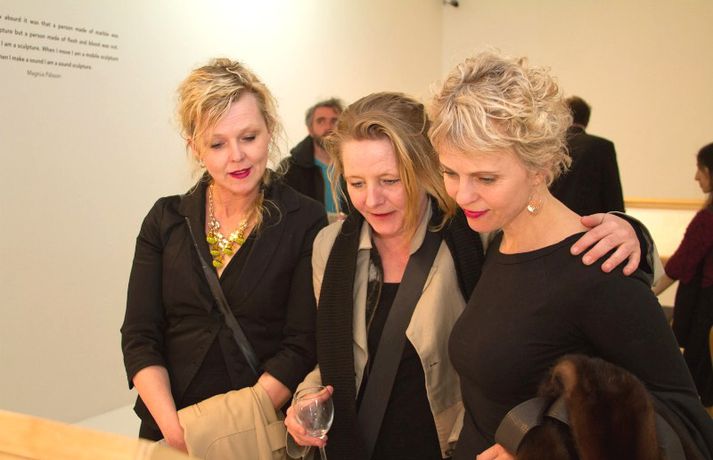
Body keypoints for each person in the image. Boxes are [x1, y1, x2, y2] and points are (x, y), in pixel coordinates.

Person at [283, 92, 650, 460]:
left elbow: (559, 253)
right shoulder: (330, 247)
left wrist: (631, 231)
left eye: (390, 181)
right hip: (357, 444)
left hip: (453, 445)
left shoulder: (474, 236)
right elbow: (337, 355)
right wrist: (307, 398)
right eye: (356, 183)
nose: (371, 200)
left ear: (426, 170)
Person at [428, 51, 713, 459]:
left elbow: (687, 422)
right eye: (450, 173)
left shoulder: (597, 266)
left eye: (486, 178)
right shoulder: (496, 240)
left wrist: (548, 445)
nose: (462, 195)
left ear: (540, 167)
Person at [120, 58, 327, 452]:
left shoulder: (304, 219)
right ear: (195, 148)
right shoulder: (165, 219)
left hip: (250, 433)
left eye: (248, 137)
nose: (237, 156)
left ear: (270, 131)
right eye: (217, 144)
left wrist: (216, 430)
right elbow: (140, 335)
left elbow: (300, 345)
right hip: (166, 428)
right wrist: (176, 431)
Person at [654, 142, 713, 407]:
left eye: (700, 169)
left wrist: (646, 293)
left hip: (706, 310)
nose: (696, 177)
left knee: (699, 385)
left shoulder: (707, 219)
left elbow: (680, 264)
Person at [549, 96, 625, 216]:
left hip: (553, 219)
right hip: (589, 223)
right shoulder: (602, 147)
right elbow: (613, 196)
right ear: (587, 120)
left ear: (563, 117)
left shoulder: (550, 146)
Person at [278, 98, 347, 219]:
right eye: (321, 121)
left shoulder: (356, 164)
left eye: (334, 121)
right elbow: (283, 211)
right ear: (310, 129)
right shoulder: (289, 168)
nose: (328, 127)